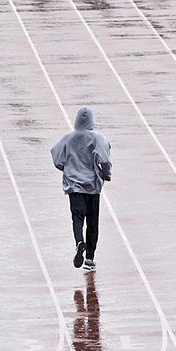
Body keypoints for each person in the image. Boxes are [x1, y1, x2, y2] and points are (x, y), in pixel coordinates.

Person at [51, 107, 112, 272]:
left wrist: (67, 168)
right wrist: (106, 174)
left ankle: (79, 242)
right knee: (92, 222)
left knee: (77, 218)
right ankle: (90, 258)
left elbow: (56, 156)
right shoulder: (98, 139)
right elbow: (104, 160)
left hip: (74, 186)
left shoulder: (68, 138)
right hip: (92, 187)